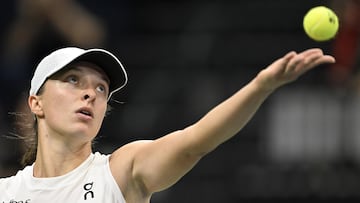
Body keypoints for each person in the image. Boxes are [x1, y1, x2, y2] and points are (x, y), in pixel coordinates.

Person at [0, 46, 335, 202]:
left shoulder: (120, 173)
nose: (90, 94)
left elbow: (195, 142)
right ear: (36, 103)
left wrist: (260, 87)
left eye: (101, 88)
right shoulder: (6, 193)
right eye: (73, 80)